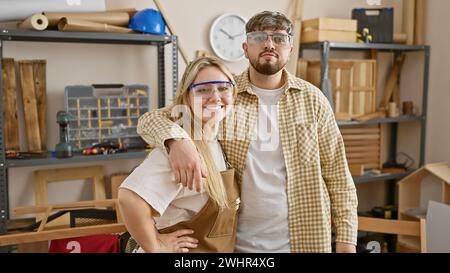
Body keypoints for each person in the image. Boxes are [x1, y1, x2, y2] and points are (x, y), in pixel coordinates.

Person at [137, 11, 358, 253]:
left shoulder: (313, 100)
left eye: (279, 38)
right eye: (259, 37)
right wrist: (176, 141)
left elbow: (338, 175)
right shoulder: (223, 97)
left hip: (305, 240)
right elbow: (150, 119)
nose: (269, 44)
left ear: (290, 48)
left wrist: (346, 241)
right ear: (245, 47)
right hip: (239, 245)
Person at [118, 56, 240, 253]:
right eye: (203, 89)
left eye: (223, 87)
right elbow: (129, 199)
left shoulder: (216, 140)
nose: (216, 97)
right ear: (187, 97)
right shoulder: (180, 151)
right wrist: (157, 246)